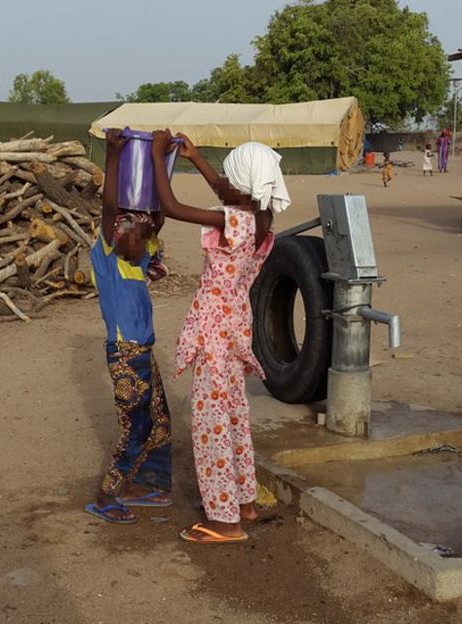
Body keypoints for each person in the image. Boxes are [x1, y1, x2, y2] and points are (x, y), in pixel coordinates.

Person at [150, 130, 290, 544]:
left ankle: (225, 521)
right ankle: (244, 500)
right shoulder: (261, 220)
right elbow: (230, 192)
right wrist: (195, 158)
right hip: (234, 324)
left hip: (214, 330)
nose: (222, 183)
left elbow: (171, 206)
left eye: (228, 177)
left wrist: (159, 159)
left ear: (241, 186)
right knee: (233, 414)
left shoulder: (234, 221)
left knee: (210, 423)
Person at [84, 129, 173, 525]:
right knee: (133, 428)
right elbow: (108, 209)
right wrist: (113, 156)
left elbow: (157, 219)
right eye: (123, 231)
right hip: (124, 357)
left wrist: (165, 160)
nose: (128, 233)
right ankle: (106, 496)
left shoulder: (136, 263)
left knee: (159, 421)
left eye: (135, 233)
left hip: (143, 354)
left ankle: (136, 484)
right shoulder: (107, 259)